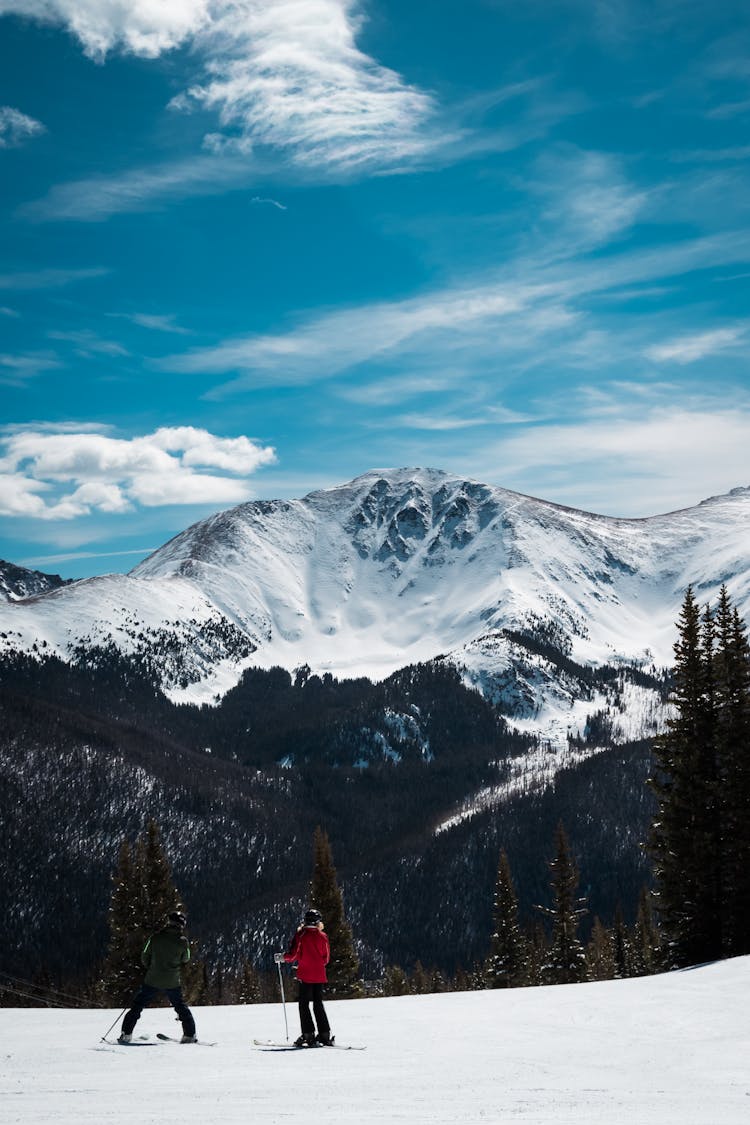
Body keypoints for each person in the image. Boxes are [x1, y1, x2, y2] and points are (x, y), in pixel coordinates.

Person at [118, 910, 197, 1044]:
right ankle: (189, 1035)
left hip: (152, 979)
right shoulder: (183, 942)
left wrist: (152, 967)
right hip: (172, 980)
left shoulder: (155, 938)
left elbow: (144, 956)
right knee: (180, 1007)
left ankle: (126, 1033)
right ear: (181, 925)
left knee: (137, 1006)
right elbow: (186, 958)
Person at [276, 908, 334, 1047]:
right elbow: (325, 958)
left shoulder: (301, 935)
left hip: (305, 975)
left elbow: (293, 954)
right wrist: (317, 964)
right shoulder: (322, 936)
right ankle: (324, 1034)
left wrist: (282, 957)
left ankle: (308, 1034)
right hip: (319, 975)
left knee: (304, 1005)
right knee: (318, 1004)